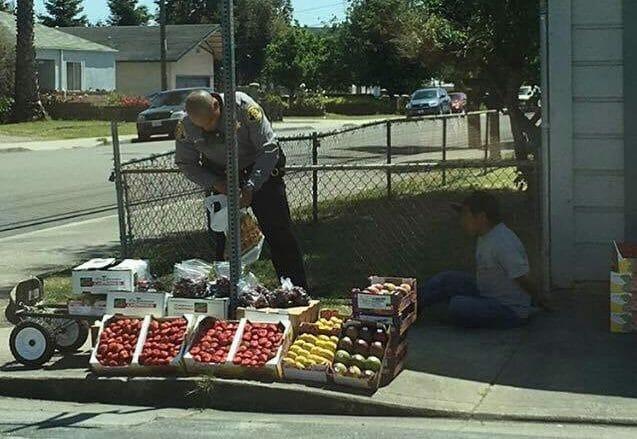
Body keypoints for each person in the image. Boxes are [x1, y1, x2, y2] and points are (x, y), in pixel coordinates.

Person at [174, 90, 307, 289]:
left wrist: (251, 186)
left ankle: (296, 291)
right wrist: (216, 183)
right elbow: (186, 163)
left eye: (211, 122)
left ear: (216, 106)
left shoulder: (244, 108)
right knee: (223, 241)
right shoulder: (185, 125)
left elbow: (269, 149)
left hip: (261, 170)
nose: (208, 128)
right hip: (222, 177)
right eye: (201, 126)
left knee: (279, 234)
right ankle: (229, 292)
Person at [420, 191, 548, 328]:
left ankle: (427, 315)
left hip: (509, 310)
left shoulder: (502, 242)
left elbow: (523, 277)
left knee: (458, 306)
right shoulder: (486, 235)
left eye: (465, 216)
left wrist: (540, 300)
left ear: (481, 217)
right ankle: (407, 306)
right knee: (446, 279)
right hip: (488, 293)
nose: (461, 221)